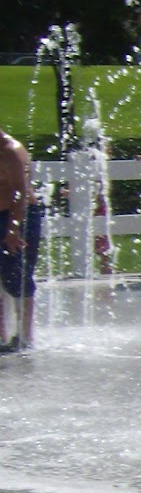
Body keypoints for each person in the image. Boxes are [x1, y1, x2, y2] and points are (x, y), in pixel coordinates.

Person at [0, 126, 42, 353]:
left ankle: (25, 336)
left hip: (21, 216)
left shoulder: (11, 152)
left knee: (18, 275)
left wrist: (13, 229)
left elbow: (21, 192)